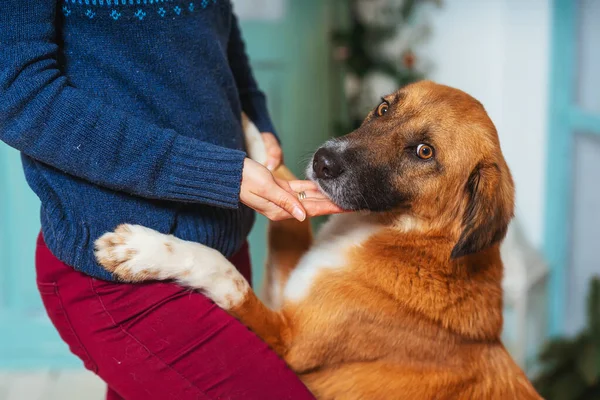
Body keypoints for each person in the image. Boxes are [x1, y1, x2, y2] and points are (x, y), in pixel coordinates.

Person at [0, 1, 341, 398]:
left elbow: (215, 26)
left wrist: (256, 116)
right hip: (118, 266)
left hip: (222, 244)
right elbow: (19, 94)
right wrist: (215, 173)